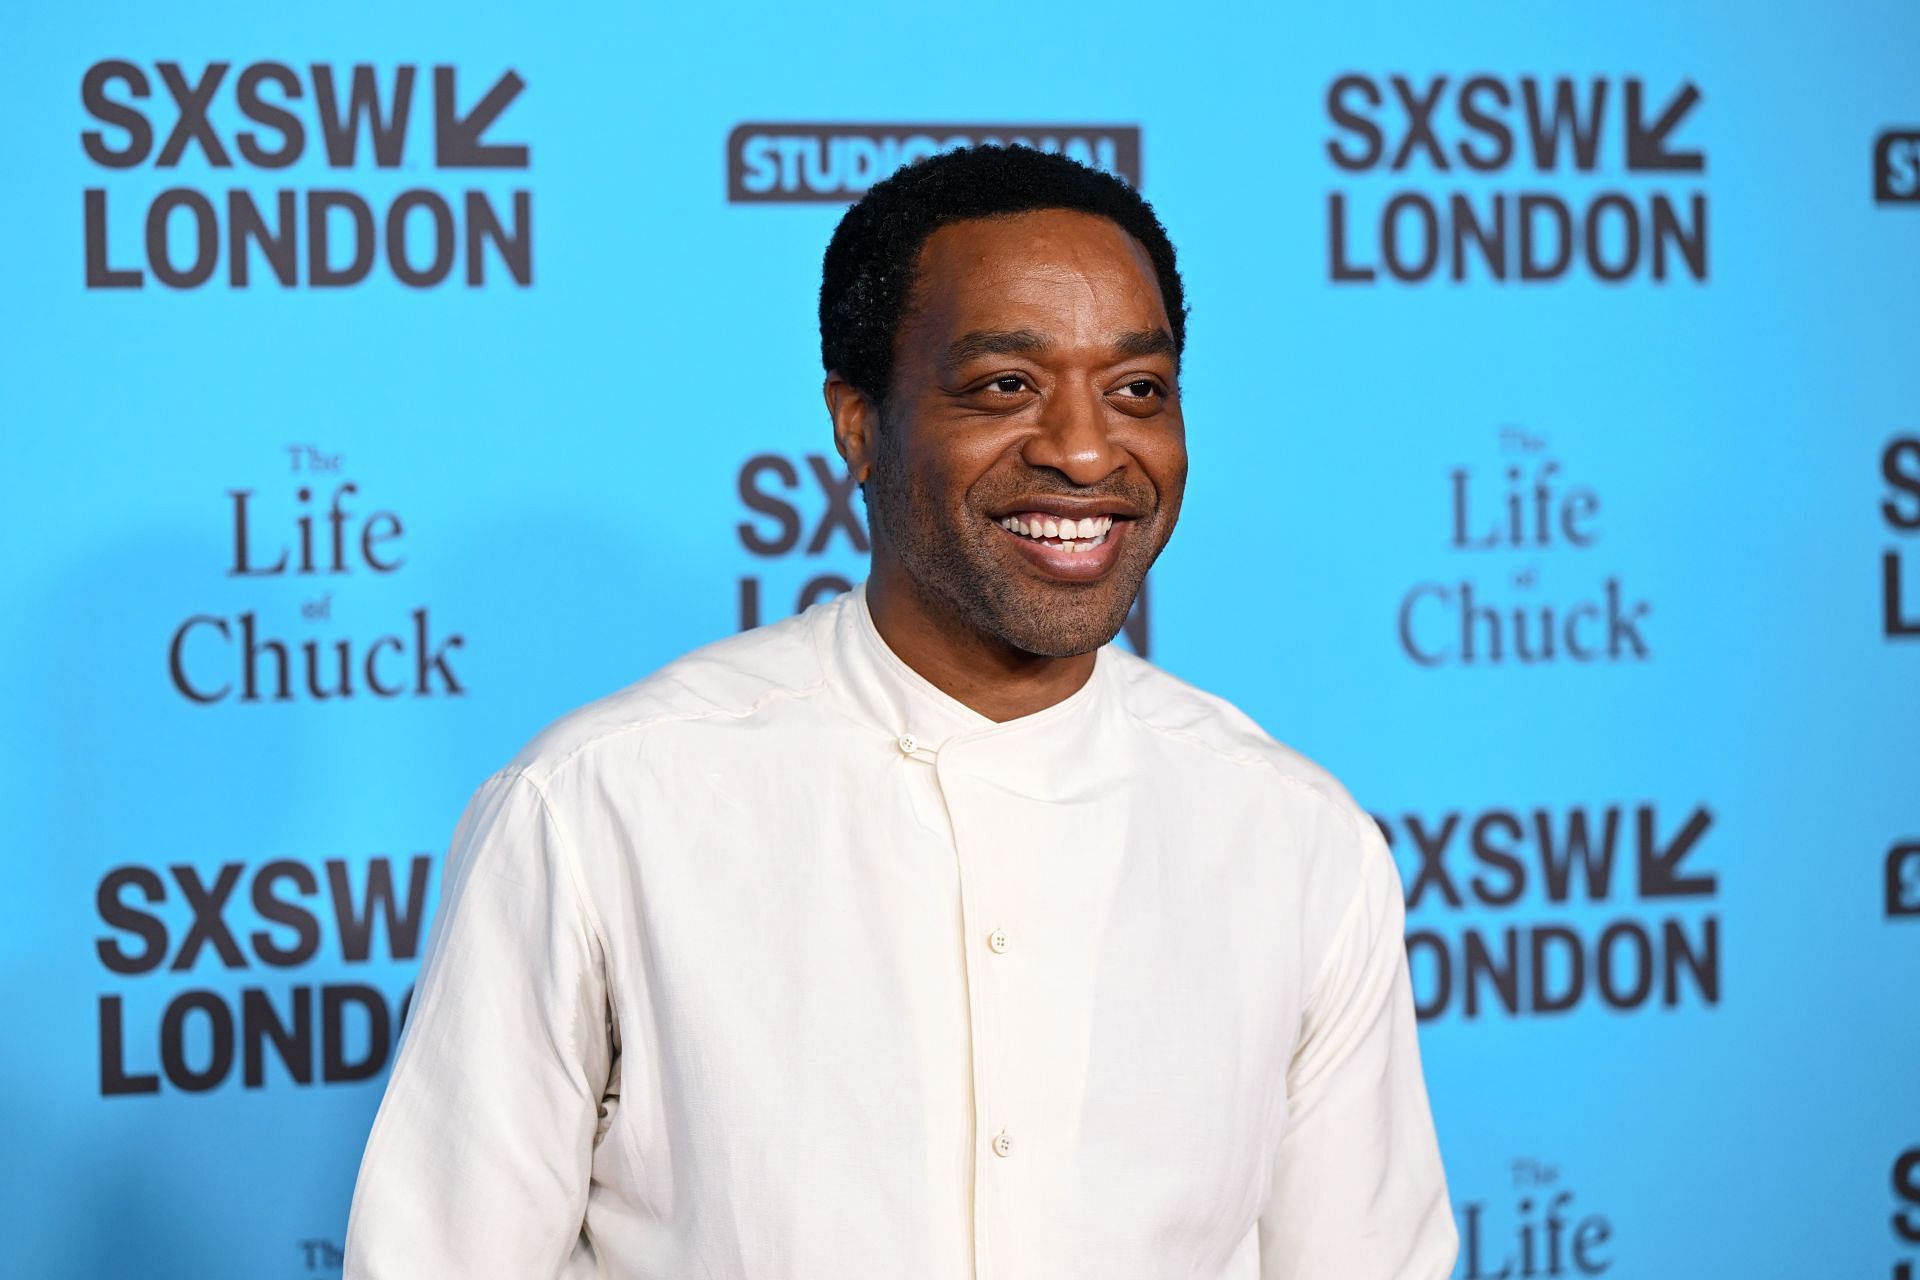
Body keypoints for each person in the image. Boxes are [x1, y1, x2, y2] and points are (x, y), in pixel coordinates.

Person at [344, 144, 1457, 1279]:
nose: (1084, 448)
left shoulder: (1298, 838)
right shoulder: (597, 806)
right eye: (1005, 386)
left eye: (1138, 390)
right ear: (859, 425)